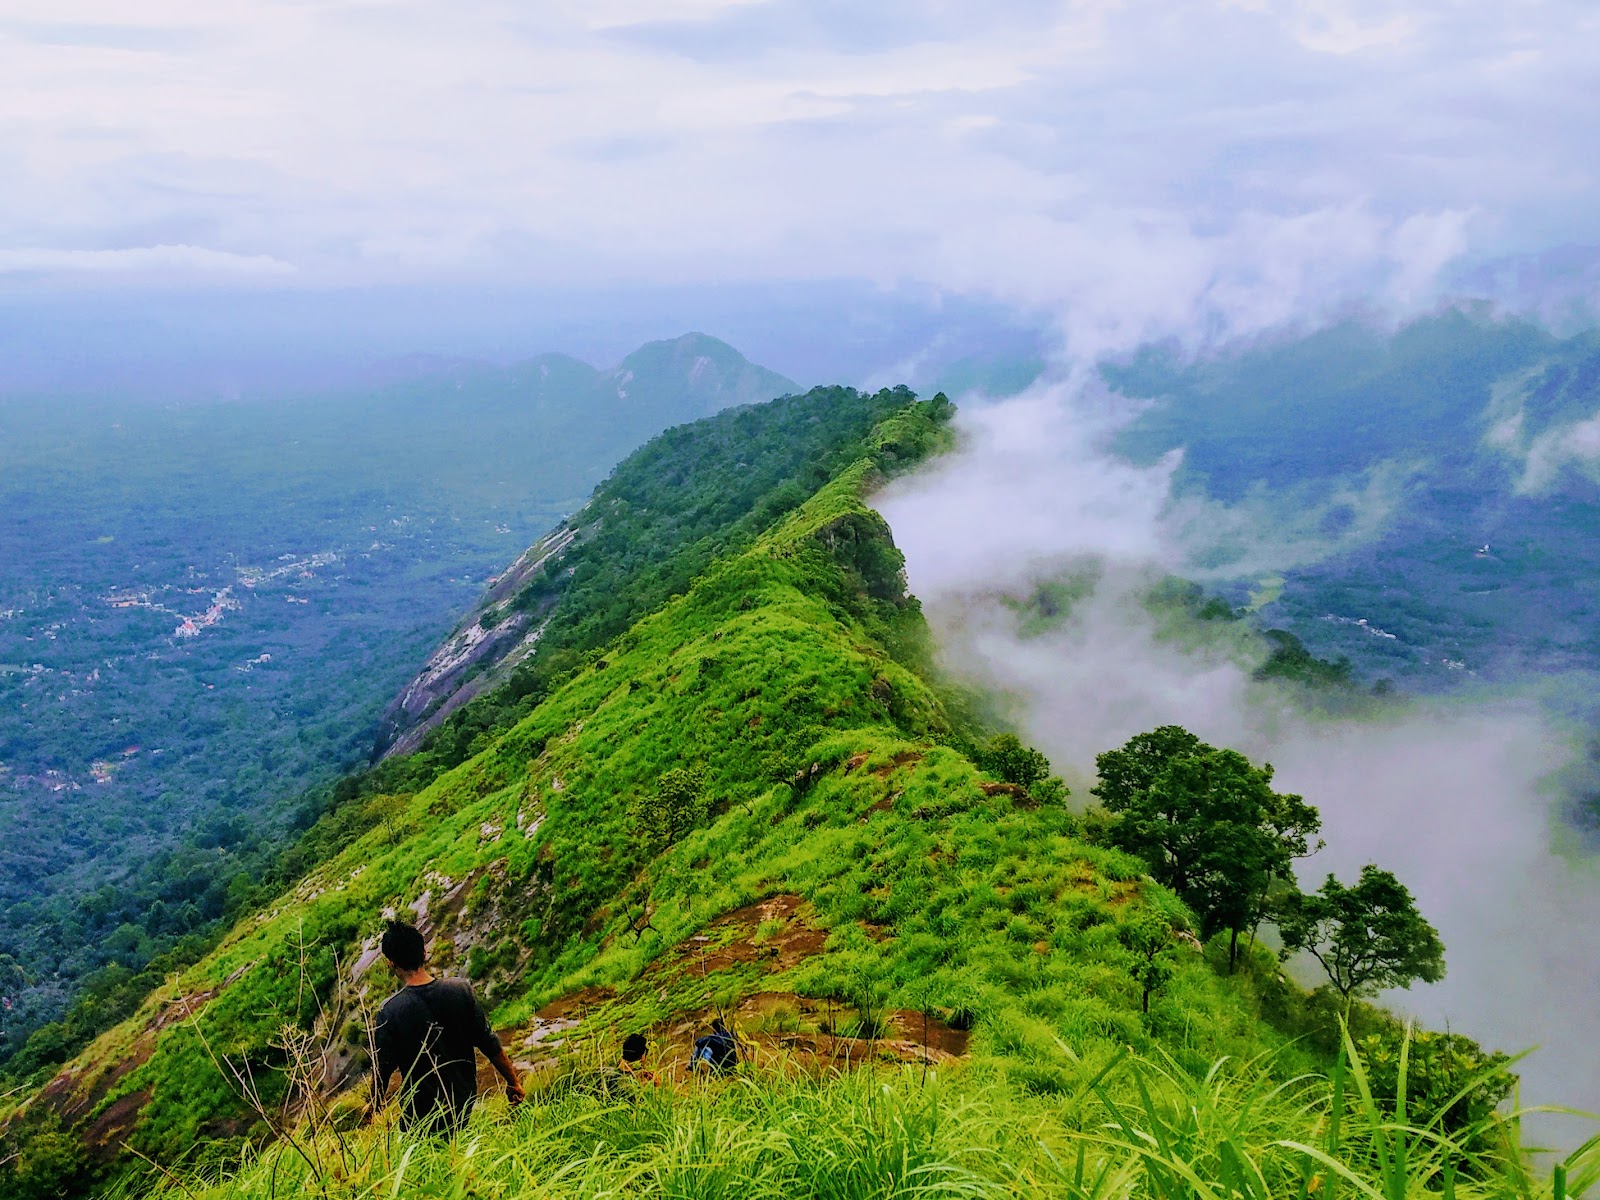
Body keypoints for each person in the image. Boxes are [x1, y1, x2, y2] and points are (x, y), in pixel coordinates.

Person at [368, 921, 523, 1132]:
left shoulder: (389, 1011)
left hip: (419, 1119)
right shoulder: (460, 990)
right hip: (463, 1108)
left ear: (391, 963)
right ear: (425, 952)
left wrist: (373, 1108)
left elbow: (382, 1070)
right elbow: (489, 1042)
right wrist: (513, 1082)